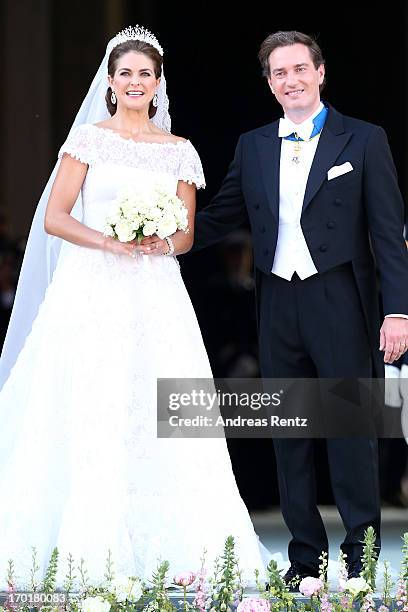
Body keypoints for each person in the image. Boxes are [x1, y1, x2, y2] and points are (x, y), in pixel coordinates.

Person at [0, 26, 268, 589]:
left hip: (155, 291)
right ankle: (78, 549)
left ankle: (180, 552)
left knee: (161, 406)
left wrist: (158, 242)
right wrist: (110, 241)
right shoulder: (88, 142)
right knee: (90, 402)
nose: (135, 82)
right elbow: (55, 218)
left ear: (158, 81)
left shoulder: (180, 151)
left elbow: (188, 233)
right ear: (111, 81)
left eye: (146, 73)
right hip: (92, 286)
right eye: (126, 73)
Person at [190, 30, 408, 587]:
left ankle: (358, 560)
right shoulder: (253, 144)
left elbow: (388, 236)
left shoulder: (363, 139)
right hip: (277, 302)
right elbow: (221, 215)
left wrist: (398, 313)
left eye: (299, 69)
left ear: (320, 72)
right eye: (279, 73)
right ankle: (304, 560)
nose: (291, 80)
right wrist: (167, 236)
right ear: (269, 84)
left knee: (350, 431)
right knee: (289, 434)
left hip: (340, 298)